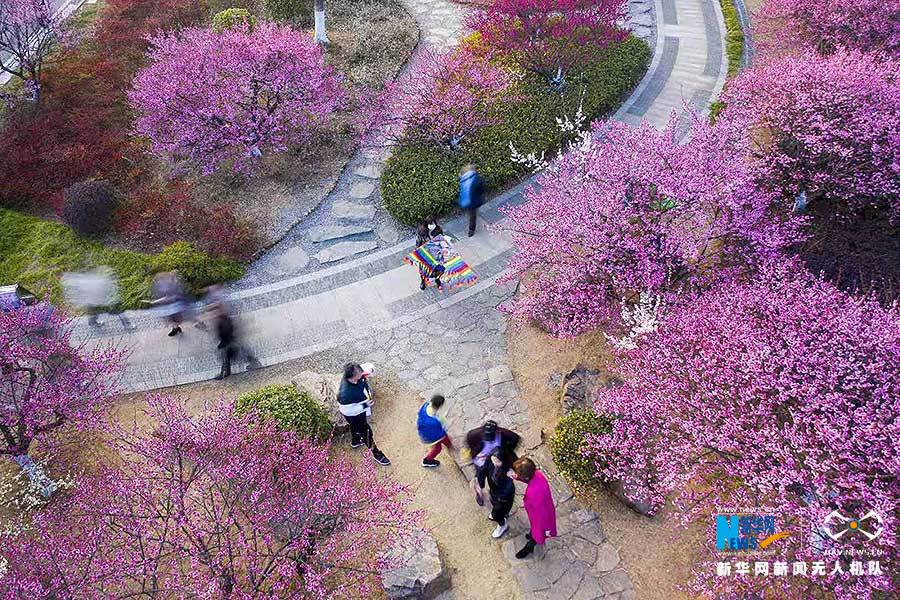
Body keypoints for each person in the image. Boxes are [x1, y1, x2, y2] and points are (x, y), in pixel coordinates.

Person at [338, 363, 391, 466]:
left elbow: (368, 367)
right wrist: (364, 406)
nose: (363, 374)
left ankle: (356, 441)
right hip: (354, 415)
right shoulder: (345, 394)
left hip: (360, 410)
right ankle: (377, 454)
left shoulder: (356, 374)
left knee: (355, 428)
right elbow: (347, 411)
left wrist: (370, 370)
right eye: (360, 374)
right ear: (353, 377)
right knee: (367, 433)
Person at [512, 457, 558, 558]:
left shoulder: (535, 493)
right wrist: (516, 477)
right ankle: (532, 534)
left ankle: (529, 547)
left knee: (538, 533)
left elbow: (543, 514)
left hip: (540, 519)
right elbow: (529, 480)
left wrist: (546, 528)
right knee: (535, 529)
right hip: (537, 513)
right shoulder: (536, 474)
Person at [61, 267, 134, 330]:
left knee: (94, 311)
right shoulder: (90, 280)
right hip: (101, 300)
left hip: (98, 300)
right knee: (118, 311)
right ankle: (127, 325)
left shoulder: (85, 280)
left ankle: (93, 323)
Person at [473, 448, 516, 539]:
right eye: (493, 459)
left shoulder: (508, 472)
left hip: (504, 497)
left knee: (497, 514)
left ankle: (502, 525)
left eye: (498, 461)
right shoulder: (490, 460)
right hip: (493, 492)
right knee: (494, 504)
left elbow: (508, 489)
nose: (494, 462)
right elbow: (483, 470)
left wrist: (500, 499)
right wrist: (479, 484)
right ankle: (503, 514)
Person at [212, 305, 258, 380]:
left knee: (226, 356)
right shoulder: (226, 320)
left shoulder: (223, 321)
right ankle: (254, 362)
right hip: (231, 342)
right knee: (232, 354)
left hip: (229, 343)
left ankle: (224, 372)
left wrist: (223, 341)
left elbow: (224, 333)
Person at [417, 394, 452, 468]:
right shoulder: (435, 421)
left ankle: (448, 443)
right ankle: (427, 460)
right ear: (440, 406)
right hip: (432, 436)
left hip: (424, 428)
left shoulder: (425, 406)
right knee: (437, 448)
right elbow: (439, 432)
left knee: (444, 437)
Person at [458, 164, 484, 237]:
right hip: (472, 201)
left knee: (470, 212)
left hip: (464, 199)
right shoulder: (476, 179)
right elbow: (481, 189)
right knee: (472, 216)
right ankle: (471, 230)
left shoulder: (463, 177)